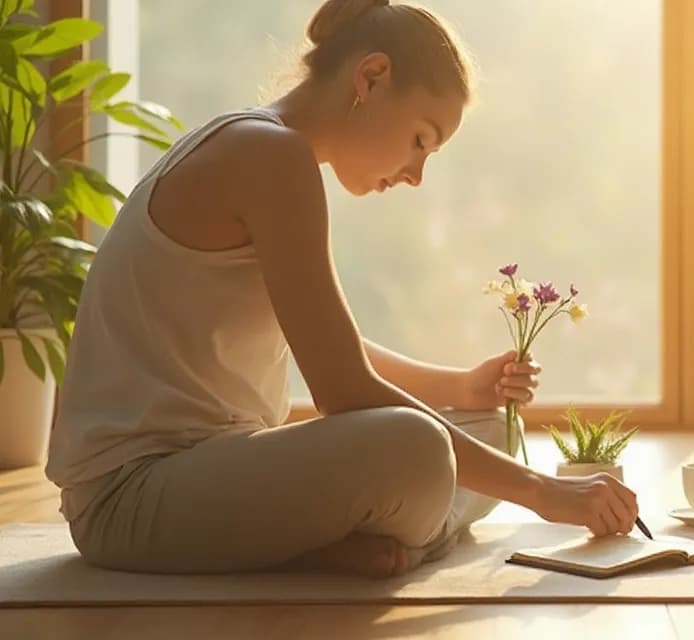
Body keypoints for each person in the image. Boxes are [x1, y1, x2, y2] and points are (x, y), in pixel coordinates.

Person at [44, 0, 638, 579]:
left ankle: (343, 540)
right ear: (371, 78)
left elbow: (328, 346)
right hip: (131, 498)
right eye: (421, 140)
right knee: (419, 448)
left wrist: (462, 388)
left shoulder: (267, 149)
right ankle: (366, 539)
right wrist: (542, 492)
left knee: (492, 427)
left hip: (215, 470)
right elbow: (343, 388)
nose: (416, 175)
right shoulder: (267, 153)